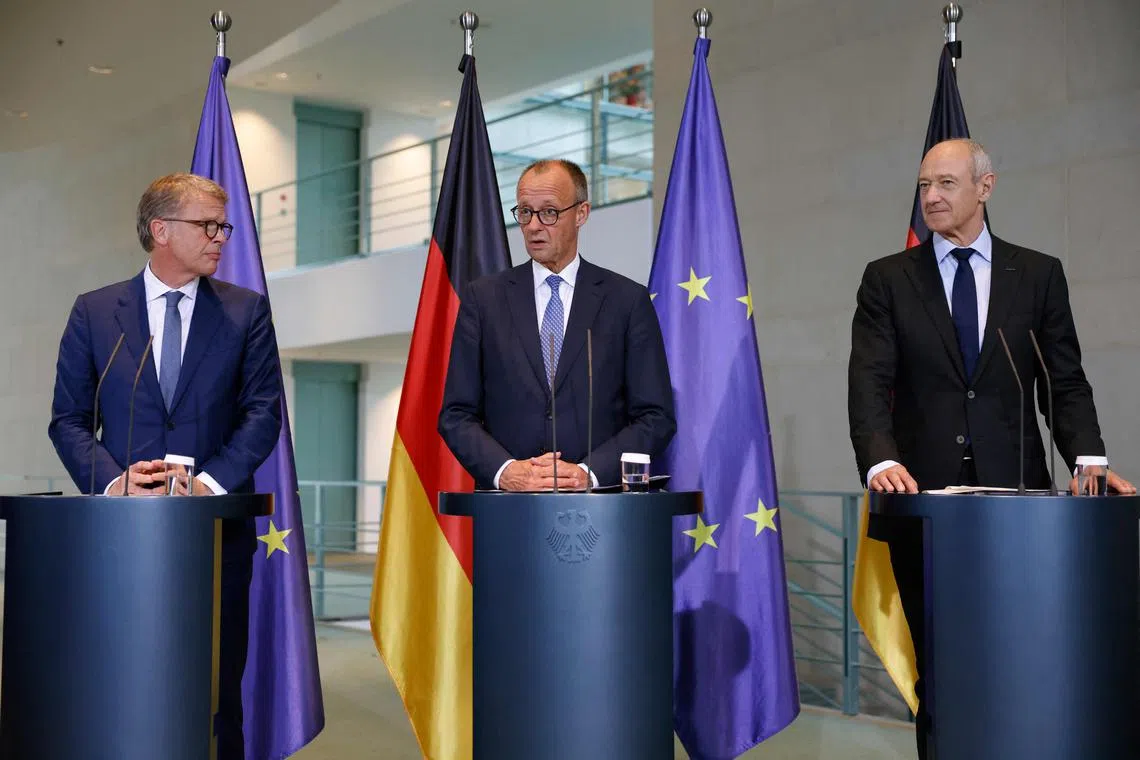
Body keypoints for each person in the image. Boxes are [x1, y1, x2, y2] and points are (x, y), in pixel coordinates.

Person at [848, 138, 1135, 758]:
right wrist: (881, 459)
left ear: (986, 187)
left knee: (1020, 657)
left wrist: (1089, 459)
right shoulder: (887, 278)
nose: (931, 197)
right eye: (924, 185)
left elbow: (1064, 381)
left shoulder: (1037, 274)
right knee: (939, 668)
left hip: (1021, 509)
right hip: (923, 505)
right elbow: (868, 380)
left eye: (946, 183)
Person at [49, 172, 283, 758]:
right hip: (121, 537)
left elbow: (263, 414)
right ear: (160, 230)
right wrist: (114, 481)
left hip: (216, 537)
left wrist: (207, 484)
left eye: (223, 227)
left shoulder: (246, 312)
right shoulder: (96, 312)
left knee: (214, 689)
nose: (220, 238)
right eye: (207, 225)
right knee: (122, 681)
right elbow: (69, 419)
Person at [439, 158, 675, 490]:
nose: (534, 226)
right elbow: (456, 414)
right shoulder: (483, 300)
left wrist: (589, 473)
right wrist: (506, 471)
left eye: (549, 212)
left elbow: (655, 417)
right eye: (525, 212)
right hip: (508, 507)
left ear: (581, 213)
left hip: (600, 506)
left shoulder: (627, 301)